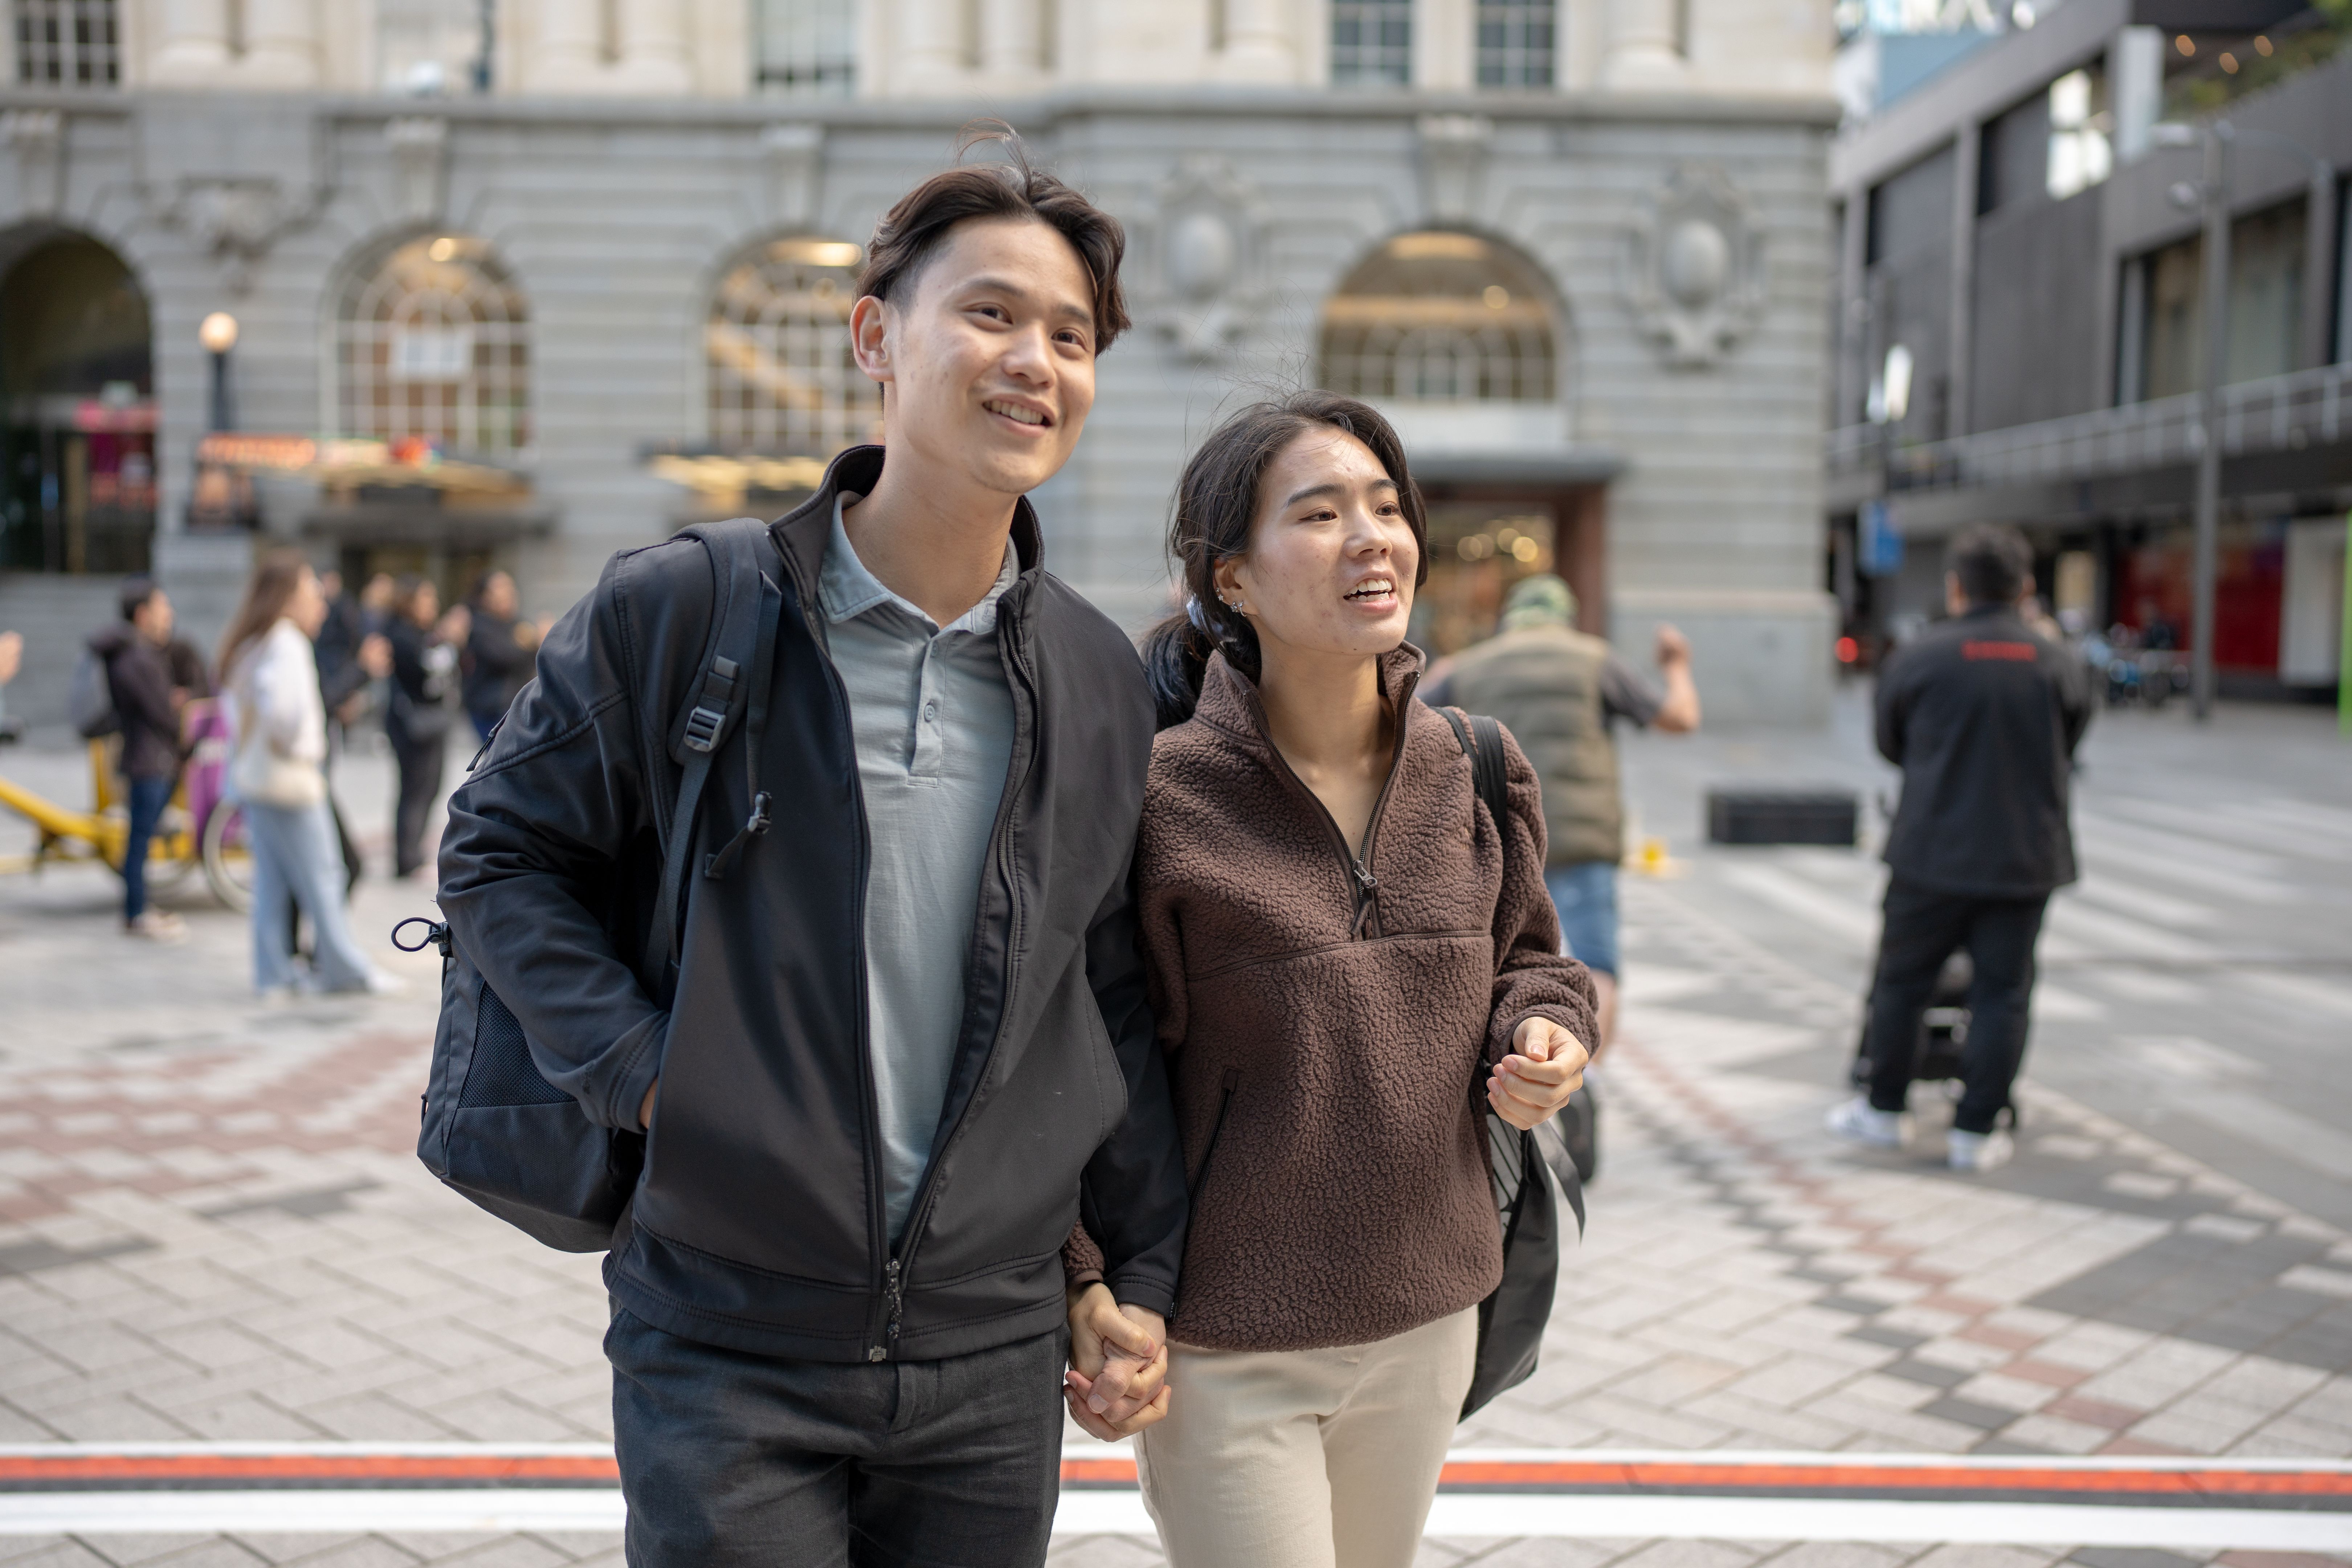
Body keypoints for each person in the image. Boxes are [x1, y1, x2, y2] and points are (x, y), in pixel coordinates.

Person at [434, 130, 1188, 1567]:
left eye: (1072, 335)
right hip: (728, 1335)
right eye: (991, 313)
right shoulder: (684, 611)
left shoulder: (1098, 677)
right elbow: (498, 859)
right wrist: (652, 1077)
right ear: (875, 341)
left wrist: (1130, 1270)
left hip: (990, 1354)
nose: (1036, 359)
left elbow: (1099, 988)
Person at [1061, 393, 1595, 1567]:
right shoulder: (1157, 802)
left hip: (1432, 1313)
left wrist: (1548, 1037)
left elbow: (1533, 963)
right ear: (1231, 581)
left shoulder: (1476, 766)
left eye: (1387, 506)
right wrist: (1090, 1282)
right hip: (1225, 1343)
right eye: (1320, 513)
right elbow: (1081, 1061)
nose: (1373, 537)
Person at [1827, 522, 2092, 1173]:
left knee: (1902, 984)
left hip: (1930, 852)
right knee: (2004, 991)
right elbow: (2073, 738)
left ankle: (1884, 1111)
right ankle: (1978, 1128)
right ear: (2027, 588)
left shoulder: (1919, 657)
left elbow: (1890, 743)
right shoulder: (2057, 661)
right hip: (2024, 857)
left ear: (1956, 586)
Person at [1422, 574, 1698, 1053]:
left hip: (1500, 838)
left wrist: (1438, 672)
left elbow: (1398, 718)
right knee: (1597, 965)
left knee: (1499, 962)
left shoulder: (1469, 667)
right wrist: (1677, 666)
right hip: (1580, 838)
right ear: (1563, 618)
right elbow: (1680, 718)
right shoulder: (1597, 660)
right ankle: (1582, 1087)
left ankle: (1510, 1072)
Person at [215, 553, 397, 998]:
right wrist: (302, 747)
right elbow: (284, 712)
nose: (319, 602)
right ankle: (345, 970)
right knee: (324, 874)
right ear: (289, 596)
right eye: (310, 591)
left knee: (274, 883)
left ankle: (274, 973)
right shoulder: (287, 643)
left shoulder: (253, 641)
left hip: (258, 780)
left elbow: (234, 708)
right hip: (293, 780)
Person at [89, 579, 190, 943]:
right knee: (139, 841)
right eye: (164, 608)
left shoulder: (130, 653)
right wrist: (174, 709)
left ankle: (139, 909)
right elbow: (160, 711)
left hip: (145, 757)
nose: (170, 616)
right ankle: (136, 913)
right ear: (143, 614)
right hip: (150, 759)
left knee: (141, 838)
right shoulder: (137, 656)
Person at [383, 576, 466, 878]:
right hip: (412, 726)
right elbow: (429, 668)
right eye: (426, 599)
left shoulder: (423, 634)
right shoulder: (402, 634)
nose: (432, 606)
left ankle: (414, 853)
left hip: (431, 723)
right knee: (414, 791)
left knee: (430, 789)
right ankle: (406, 859)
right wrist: (449, 639)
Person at [461, 568, 540, 742]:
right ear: (485, 596)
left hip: (516, 706)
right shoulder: (480, 625)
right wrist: (531, 642)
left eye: (509, 589)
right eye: (500, 589)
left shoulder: (517, 623)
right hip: (490, 709)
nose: (507, 595)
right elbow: (505, 656)